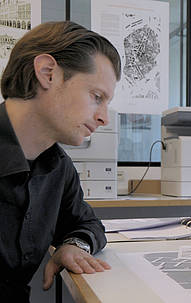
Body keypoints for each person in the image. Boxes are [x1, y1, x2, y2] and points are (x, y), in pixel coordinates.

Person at [0, 21, 120, 301]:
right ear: (48, 73)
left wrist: (74, 245)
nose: (104, 118)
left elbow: (87, 224)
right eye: (96, 97)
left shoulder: (57, 166)